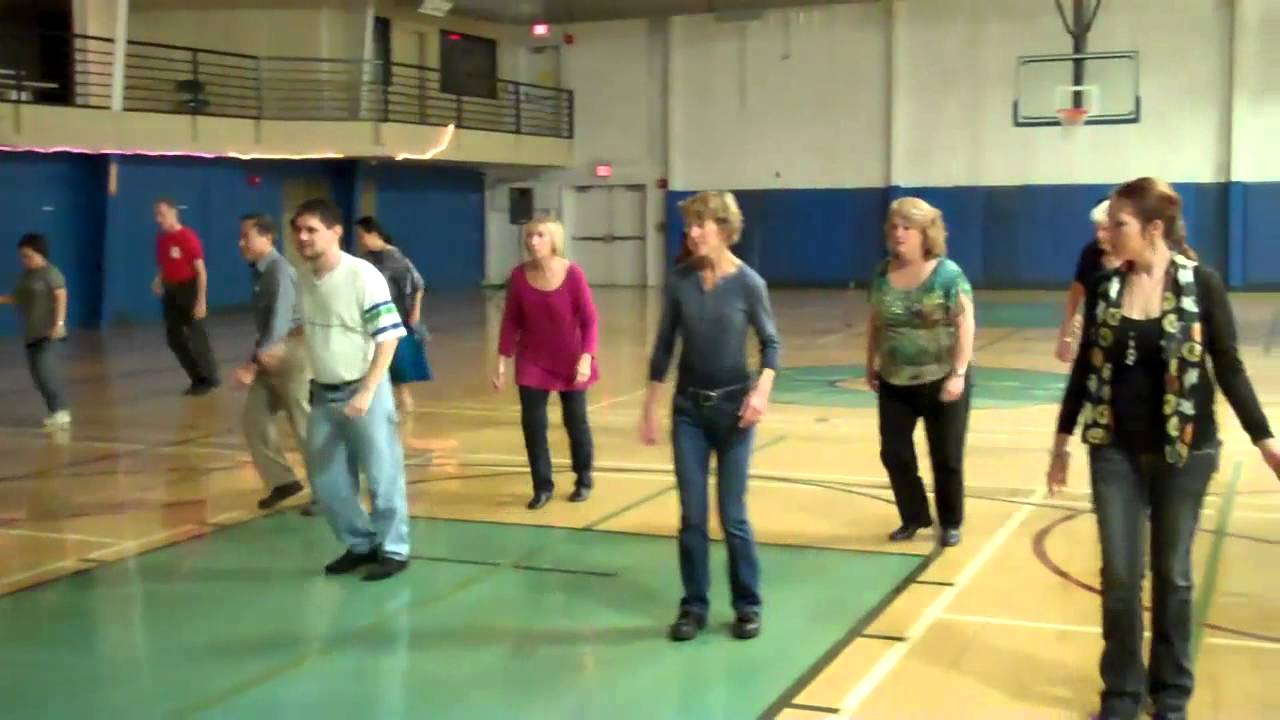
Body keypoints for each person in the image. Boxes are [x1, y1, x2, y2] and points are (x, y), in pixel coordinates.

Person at [1048, 177, 1280, 720]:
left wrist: (1265, 440)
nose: (1107, 233)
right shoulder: (1105, 287)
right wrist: (1061, 441)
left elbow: (1229, 367)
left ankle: (1171, 693)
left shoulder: (1203, 285)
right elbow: (1084, 370)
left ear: (1153, 230)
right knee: (1121, 577)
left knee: (1173, 576)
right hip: (1115, 451)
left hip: (1187, 453)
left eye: (1119, 224)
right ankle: (1122, 694)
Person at [641, 191, 780, 642]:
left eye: (700, 224)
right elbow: (665, 346)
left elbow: (771, 344)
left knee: (733, 516)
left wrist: (761, 391)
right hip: (689, 412)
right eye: (689, 225)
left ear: (724, 227)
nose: (692, 233)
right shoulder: (679, 281)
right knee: (693, 517)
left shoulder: (749, 284)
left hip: (735, 413)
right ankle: (694, 606)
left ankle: (747, 605)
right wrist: (650, 408)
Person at [276, 198, 411, 582]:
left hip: (364, 390)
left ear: (335, 232)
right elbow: (312, 325)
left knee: (382, 476)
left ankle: (394, 549)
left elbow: (388, 337)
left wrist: (367, 390)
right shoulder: (303, 278)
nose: (302, 237)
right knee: (327, 480)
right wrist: (276, 347)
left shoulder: (363, 276)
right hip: (323, 392)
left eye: (311, 230)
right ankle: (360, 544)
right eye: (298, 230)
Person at [865, 196, 975, 548]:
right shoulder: (882, 273)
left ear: (925, 233)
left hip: (942, 379)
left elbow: (966, 324)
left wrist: (958, 373)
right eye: (894, 227)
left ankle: (951, 521)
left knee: (946, 456)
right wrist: (871, 362)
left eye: (907, 228)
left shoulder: (948, 274)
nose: (898, 233)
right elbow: (876, 321)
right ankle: (913, 515)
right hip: (895, 379)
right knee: (894, 452)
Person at [492, 216, 599, 509]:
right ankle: (542, 486)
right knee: (533, 425)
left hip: (571, 358)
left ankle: (583, 478)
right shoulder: (518, 276)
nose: (533, 241)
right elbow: (511, 320)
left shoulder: (573, 274)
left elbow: (590, 321)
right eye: (529, 236)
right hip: (532, 359)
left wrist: (586, 357)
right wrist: (501, 359)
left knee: (575, 422)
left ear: (554, 240)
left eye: (540, 235)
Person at [233, 214, 314, 512]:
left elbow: (280, 322)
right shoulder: (260, 272)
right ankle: (282, 481)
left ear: (267, 238)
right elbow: (268, 328)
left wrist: (253, 365)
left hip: (291, 352)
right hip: (270, 351)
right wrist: (257, 357)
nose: (241, 243)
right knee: (254, 419)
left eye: (247, 236)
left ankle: (328, 492)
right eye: (241, 237)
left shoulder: (278, 271)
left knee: (302, 423)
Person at [354, 216, 431, 413]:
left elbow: (418, 284)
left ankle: (403, 400)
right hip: (373, 314)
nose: (360, 241)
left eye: (362, 236)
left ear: (374, 234)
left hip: (396, 316)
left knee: (395, 360)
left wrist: (415, 312)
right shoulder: (366, 259)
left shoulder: (396, 258)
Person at [0, 233, 71, 428]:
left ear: (40, 253)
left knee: (45, 371)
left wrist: (59, 323)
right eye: (22, 256)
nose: (25, 260)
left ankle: (62, 411)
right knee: (38, 376)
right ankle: (55, 411)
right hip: (32, 332)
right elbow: (16, 298)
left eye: (28, 256)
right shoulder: (26, 276)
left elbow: (61, 296)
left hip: (49, 333)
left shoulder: (51, 273)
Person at [151, 199, 220, 395]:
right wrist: (158, 280)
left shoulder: (187, 237)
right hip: (171, 291)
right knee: (174, 339)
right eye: (156, 215)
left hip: (189, 289)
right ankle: (197, 378)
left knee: (197, 337)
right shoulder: (161, 239)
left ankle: (210, 378)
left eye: (162, 214)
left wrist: (201, 301)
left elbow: (201, 271)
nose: (158, 219)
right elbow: (165, 264)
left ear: (174, 213)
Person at [1056, 198, 1122, 362]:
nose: (1099, 235)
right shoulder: (1090, 253)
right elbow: (1075, 292)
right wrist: (1066, 333)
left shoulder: (1131, 258)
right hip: (1093, 338)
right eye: (1096, 229)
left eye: (1105, 229)